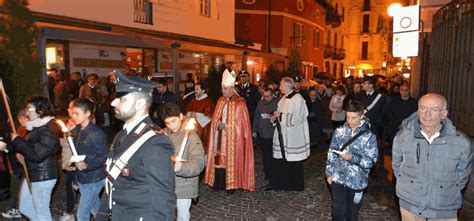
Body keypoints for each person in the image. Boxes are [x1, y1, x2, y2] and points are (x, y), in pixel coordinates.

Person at [103, 70, 176, 220]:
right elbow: (114, 180)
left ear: (140, 103)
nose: (113, 102)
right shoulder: (121, 135)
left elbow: (163, 198)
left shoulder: (155, 142)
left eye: (121, 99)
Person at [392, 93, 472, 220]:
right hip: (410, 205)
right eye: (423, 108)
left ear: (444, 114)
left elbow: (462, 176)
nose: (427, 114)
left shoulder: (460, 142)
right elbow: (397, 167)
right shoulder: (403, 137)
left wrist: (444, 190)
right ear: (418, 111)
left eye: (434, 109)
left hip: (444, 207)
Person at [0, 95, 60, 221]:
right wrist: (6, 146)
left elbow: (36, 155)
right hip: (33, 173)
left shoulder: (49, 130)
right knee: (24, 207)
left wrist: (17, 140)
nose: (27, 112)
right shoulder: (35, 126)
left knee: (42, 212)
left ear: (40, 110)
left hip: (44, 176)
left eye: (29, 109)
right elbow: (24, 146)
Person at [204, 69, 255, 192]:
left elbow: (242, 125)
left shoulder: (240, 103)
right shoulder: (220, 101)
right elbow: (216, 117)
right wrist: (217, 124)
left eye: (226, 89)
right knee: (219, 158)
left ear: (232, 89)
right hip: (220, 137)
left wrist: (227, 126)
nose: (224, 91)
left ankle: (232, 184)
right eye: (223, 88)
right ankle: (219, 183)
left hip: (233, 139)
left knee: (231, 159)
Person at [326, 100, 378, 221]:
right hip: (338, 178)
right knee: (337, 211)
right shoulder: (339, 131)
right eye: (348, 117)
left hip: (357, 182)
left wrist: (352, 158)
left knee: (352, 214)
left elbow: (371, 161)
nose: (350, 121)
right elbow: (331, 153)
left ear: (362, 116)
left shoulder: (369, 136)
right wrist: (329, 173)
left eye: (354, 117)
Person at [161, 103, 205, 221]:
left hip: (183, 185)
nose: (171, 126)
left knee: (182, 217)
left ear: (180, 116)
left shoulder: (191, 136)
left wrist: (182, 167)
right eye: (167, 123)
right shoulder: (163, 134)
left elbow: (199, 162)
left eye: (173, 121)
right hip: (166, 184)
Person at [69, 98, 108, 221]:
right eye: (72, 113)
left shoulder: (96, 134)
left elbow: (104, 157)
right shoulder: (77, 130)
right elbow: (77, 155)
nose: (73, 116)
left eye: (76, 113)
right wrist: (76, 180)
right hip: (83, 178)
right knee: (95, 209)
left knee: (81, 215)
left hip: (94, 179)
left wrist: (87, 164)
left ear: (87, 114)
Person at [269, 77, 310, 191]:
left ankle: (296, 185)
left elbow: (297, 118)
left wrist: (280, 115)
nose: (280, 87)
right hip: (283, 135)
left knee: (294, 161)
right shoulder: (282, 99)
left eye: (281, 85)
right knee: (283, 160)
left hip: (294, 135)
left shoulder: (298, 99)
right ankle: (285, 183)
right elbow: (279, 115)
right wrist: (274, 119)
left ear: (287, 86)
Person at [2, 108, 28, 219]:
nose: (21, 122)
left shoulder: (30, 130)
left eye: (23, 119)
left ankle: (18, 208)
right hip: (19, 165)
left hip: (26, 166)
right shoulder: (20, 129)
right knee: (18, 188)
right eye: (19, 119)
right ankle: (16, 208)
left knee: (21, 189)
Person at [252, 87, 278, 184]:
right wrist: (254, 131)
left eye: (268, 96)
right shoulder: (261, 103)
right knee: (265, 155)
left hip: (272, 134)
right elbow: (256, 117)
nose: (266, 98)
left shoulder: (277, 103)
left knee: (272, 155)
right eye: (264, 96)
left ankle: (273, 174)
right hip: (262, 134)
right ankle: (267, 173)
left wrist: (270, 116)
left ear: (272, 95)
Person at [186, 81, 214, 149]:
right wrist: (190, 114)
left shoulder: (208, 101)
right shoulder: (193, 100)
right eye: (195, 89)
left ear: (203, 90)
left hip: (203, 129)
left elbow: (209, 116)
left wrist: (196, 115)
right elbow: (187, 111)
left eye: (197, 89)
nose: (195, 91)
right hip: (192, 127)